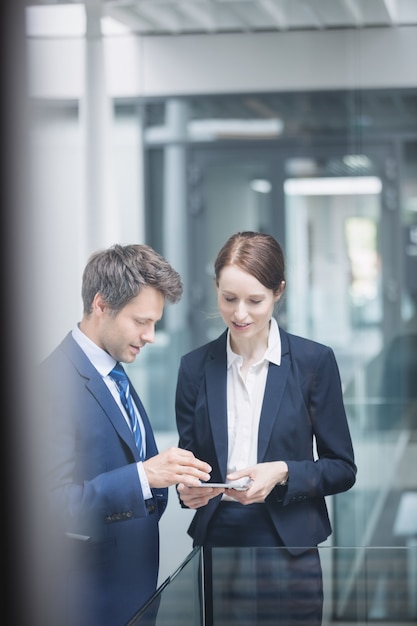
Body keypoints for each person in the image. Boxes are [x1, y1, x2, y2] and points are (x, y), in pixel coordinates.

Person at [175, 231, 357, 625]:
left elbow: (342, 467)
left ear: (279, 292)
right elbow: (188, 460)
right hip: (218, 540)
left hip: (289, 543)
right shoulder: (194, 368)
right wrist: (186, 488)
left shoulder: (314, 362)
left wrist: (283, 471)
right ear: (216, 290)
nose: (240, 314)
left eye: (255, 300)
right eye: (228, 299)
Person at [38, 243, 212, 626]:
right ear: (101, 305)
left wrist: (172, 480)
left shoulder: (113, 372)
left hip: (134, 596)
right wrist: (145, 477)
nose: (150, 336)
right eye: (141, 322)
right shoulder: (51, 385)